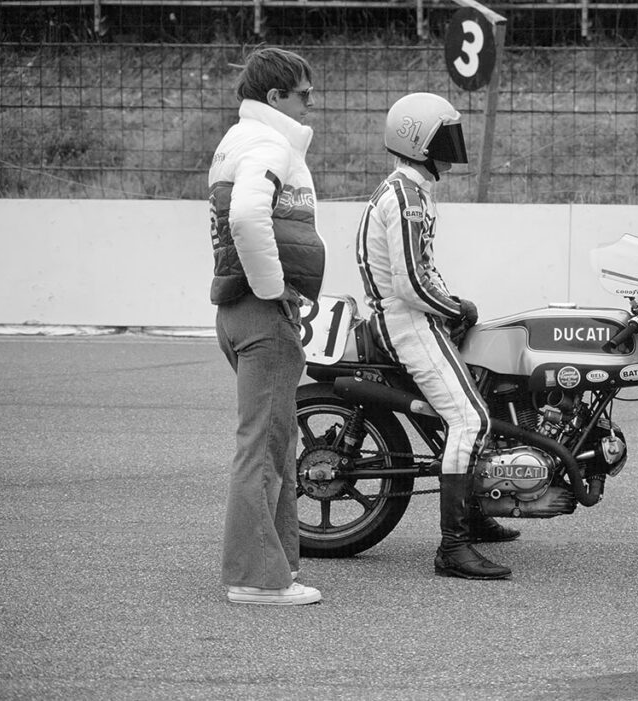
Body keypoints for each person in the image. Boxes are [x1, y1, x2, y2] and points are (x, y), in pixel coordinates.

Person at [355, 92, 520, 581]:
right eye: (445, 136)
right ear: (418, 140)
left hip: (413, 318)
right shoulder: (405, 199)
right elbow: (410, 283)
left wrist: (454, 308)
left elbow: (423, 268)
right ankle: (453, 546)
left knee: (478, 401)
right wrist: (456, 308)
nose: (453, 146)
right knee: (470, 420)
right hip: (408, 323)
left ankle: (472, 513)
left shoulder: (410, 191)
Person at [207, 47, 325, 605]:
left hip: (236, 313)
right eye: (303, 92)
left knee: (277, 444)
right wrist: (276, 289)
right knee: (264, 445)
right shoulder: (266, 142)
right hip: (260, 314)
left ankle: (276, 569)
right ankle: (255, 579)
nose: (311, 101)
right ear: (275, 97)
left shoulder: (240, 140)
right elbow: (247, 216)